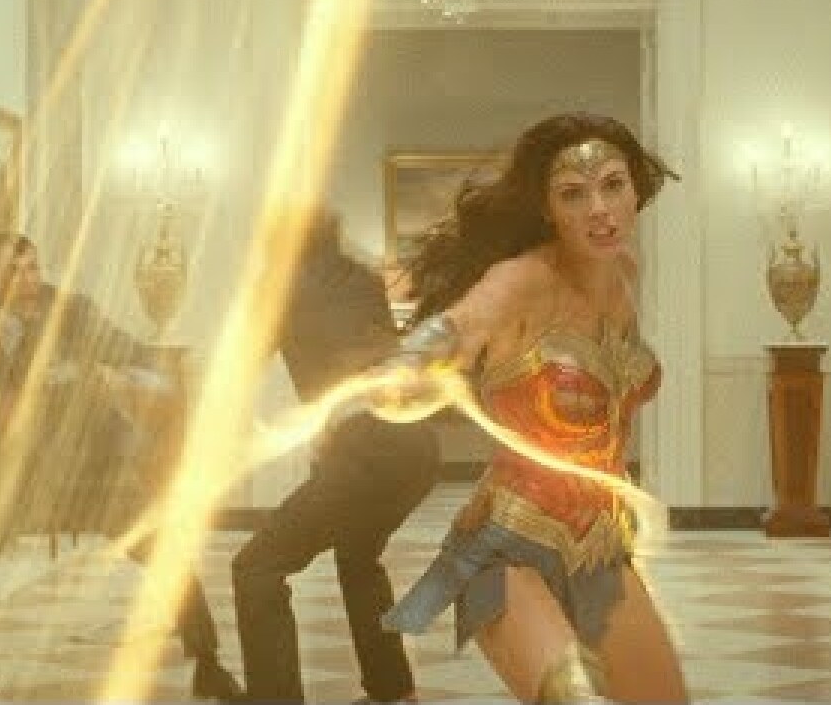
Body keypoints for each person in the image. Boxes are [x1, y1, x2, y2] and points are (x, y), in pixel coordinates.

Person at [379, 112, 689, 703]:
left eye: (613, 185)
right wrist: (413, 361)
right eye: (573, 194)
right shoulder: (522, 279)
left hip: (600, 547)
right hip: (508, 550)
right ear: (547, 209)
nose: (599, 209)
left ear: (636, 187)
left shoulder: (623, 273)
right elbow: (465, 321)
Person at [0, 232, 239, 702]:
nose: (28, 280)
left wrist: (138, 374)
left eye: (33, 268)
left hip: (91, 470)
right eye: (12, 272)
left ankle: (210, 666)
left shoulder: (72, 311)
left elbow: (134, 354)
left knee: (165, 553)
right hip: (11, 482)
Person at [230, 212, 441, 704]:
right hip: (416, 447)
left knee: (256, 568)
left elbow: (240, 363)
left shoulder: (280, 288)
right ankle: (393, 691)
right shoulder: (362, 279)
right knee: (359, 558)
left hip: (365, 452)